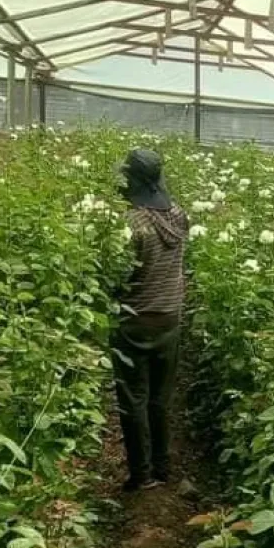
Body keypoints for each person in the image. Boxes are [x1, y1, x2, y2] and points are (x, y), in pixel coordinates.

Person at [113, 149, 189, 492]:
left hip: (136, 321)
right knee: (160, 400)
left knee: (134, 400)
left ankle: (141, 475)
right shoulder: (179, 217)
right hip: (170, 319)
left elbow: (120, 276)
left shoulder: (132, 224)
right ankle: (164, 468)